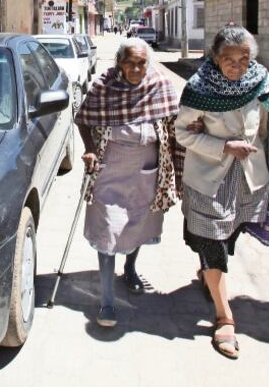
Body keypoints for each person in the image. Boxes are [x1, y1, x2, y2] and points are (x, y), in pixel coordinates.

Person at [174, 24, 269, 359]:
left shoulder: (260, 82)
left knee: (230, 234)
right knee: (213, 240)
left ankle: (210, 271)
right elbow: (183, 132)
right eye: (229, 58)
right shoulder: (199, 88)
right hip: (210, 176)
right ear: (214, 57)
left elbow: (268, 125)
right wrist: (224, 145)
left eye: (244, 58)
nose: (237, 66)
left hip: (249, 176)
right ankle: (225, 318)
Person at [76, 37, 180, 327]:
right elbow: (82, 118)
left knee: (138, 225)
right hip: (111, 168)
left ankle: (130, 269)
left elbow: (175, 123)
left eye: (141, 63)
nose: (135, 68)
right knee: (109, 230)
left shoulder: (159, 84)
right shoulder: (104, 86)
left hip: (147, 170)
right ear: (119, 63)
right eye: (129, 62)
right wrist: (88, 148)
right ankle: (107, 302)